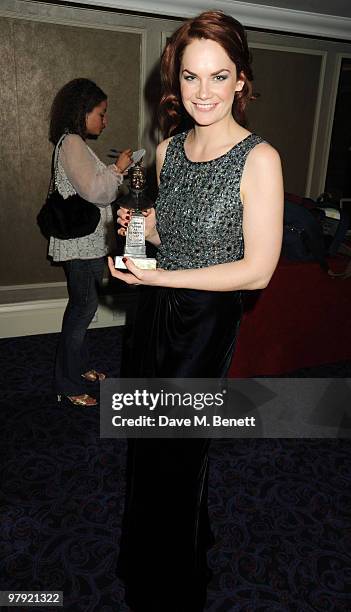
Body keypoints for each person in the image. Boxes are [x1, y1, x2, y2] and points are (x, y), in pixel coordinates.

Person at [108, 10, 283, 611]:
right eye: (190, 77)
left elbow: (256, 269)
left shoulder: (259, 158)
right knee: (146, 442)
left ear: (240, 80)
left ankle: (173, 586)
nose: (202, 92)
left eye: (217, 76)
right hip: (154, 313)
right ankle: (152, 555)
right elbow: (174, 233)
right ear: (175, 81)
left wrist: (166, 275)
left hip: (206, 323)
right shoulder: (168, 151)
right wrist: (140, 235)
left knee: (179, 451)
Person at [48, 78, 132, 407]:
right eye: (101, 112)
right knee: (81, 310)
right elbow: (97, 191)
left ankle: (80, 369)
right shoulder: (71, 143)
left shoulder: (74, 143)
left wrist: (114, 170)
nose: (105, 119)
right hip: (81, 244)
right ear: (83, 112)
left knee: (85, 306)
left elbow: (92, 186)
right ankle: (66, 385)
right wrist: (119, 169)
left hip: (87, 242)